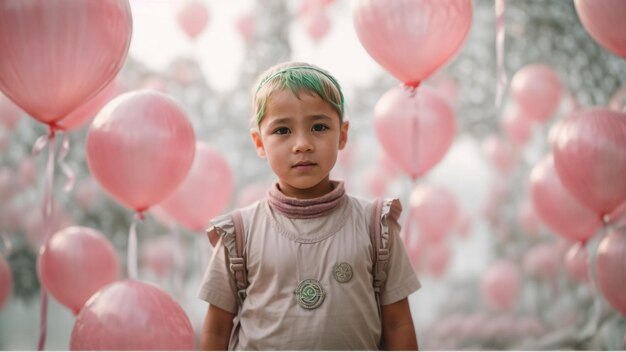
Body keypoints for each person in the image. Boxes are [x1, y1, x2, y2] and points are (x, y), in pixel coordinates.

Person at [197, 61, 420, 350]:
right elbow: (216, 331)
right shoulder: (238, 233)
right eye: (282, 131)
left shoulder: (375, 225)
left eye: (319, 127)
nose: (302, 144)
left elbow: (397, 322)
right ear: (259, 142)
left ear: (342, 134)